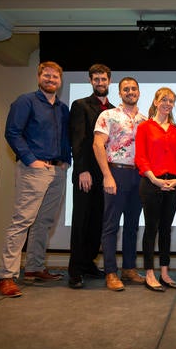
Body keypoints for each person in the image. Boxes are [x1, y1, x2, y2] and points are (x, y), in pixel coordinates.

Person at [0, 61, 70, 297]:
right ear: (39, 77)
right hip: (34, 169)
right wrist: (31, 160)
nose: (51, 80)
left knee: (44, 223)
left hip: (57, 171)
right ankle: (7, 276)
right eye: (46, 76)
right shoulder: (25, 101)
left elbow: (64, 137)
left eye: (55, 77)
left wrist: (66, 161)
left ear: (60, 80)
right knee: (22, 221)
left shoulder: (62, 108)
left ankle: (35, 268)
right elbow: (12, 132)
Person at [93, 77, 147, 291]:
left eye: (134, 88)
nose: (130, 92)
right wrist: (107, 175)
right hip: (116, 172)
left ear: (139, 92)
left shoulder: (145, 120)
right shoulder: (108, 115)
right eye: (126, 89)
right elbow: (98, 145)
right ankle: (111, 273)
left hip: (139, 176)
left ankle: (129, 269)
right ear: (120, 93)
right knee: (111, 226)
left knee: (133, 226)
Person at [67, 64, 115, 289]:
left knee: (97, 222)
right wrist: (82, 170)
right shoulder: (80, 105)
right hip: (86, 174)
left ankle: (88, 264)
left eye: (103, 79)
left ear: (109, 81)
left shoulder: (115, 110)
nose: (100, 82)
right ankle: (75, 271)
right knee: (81, 222)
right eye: (96, 79)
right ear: (90, 81)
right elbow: (78, 139)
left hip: (105, 176)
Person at [135, 87, 176, 292]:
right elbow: (140, 156)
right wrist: (154, 179)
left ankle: (164, 272)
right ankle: (149, 273)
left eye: (171, 100)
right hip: (151, 183)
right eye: (163, 99)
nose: (167, 103)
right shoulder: (145, 127)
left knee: (166, 229)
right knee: (151, 228)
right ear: (156, 102)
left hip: (173, 184)